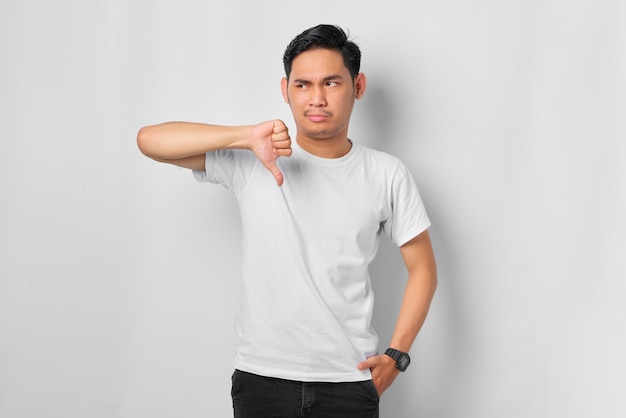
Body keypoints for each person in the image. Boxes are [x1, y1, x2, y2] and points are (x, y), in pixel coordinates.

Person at [137, 24, 437, 418]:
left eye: (331, 83)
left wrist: (396, 356)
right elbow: (149, 141)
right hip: (262, 379)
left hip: (349, 380)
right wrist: (244, 136)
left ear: (358, 86)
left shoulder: (385, 173)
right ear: (285, 90)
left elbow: (423, 270)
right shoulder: (253, 160)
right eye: (303, 85)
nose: (316, 98)